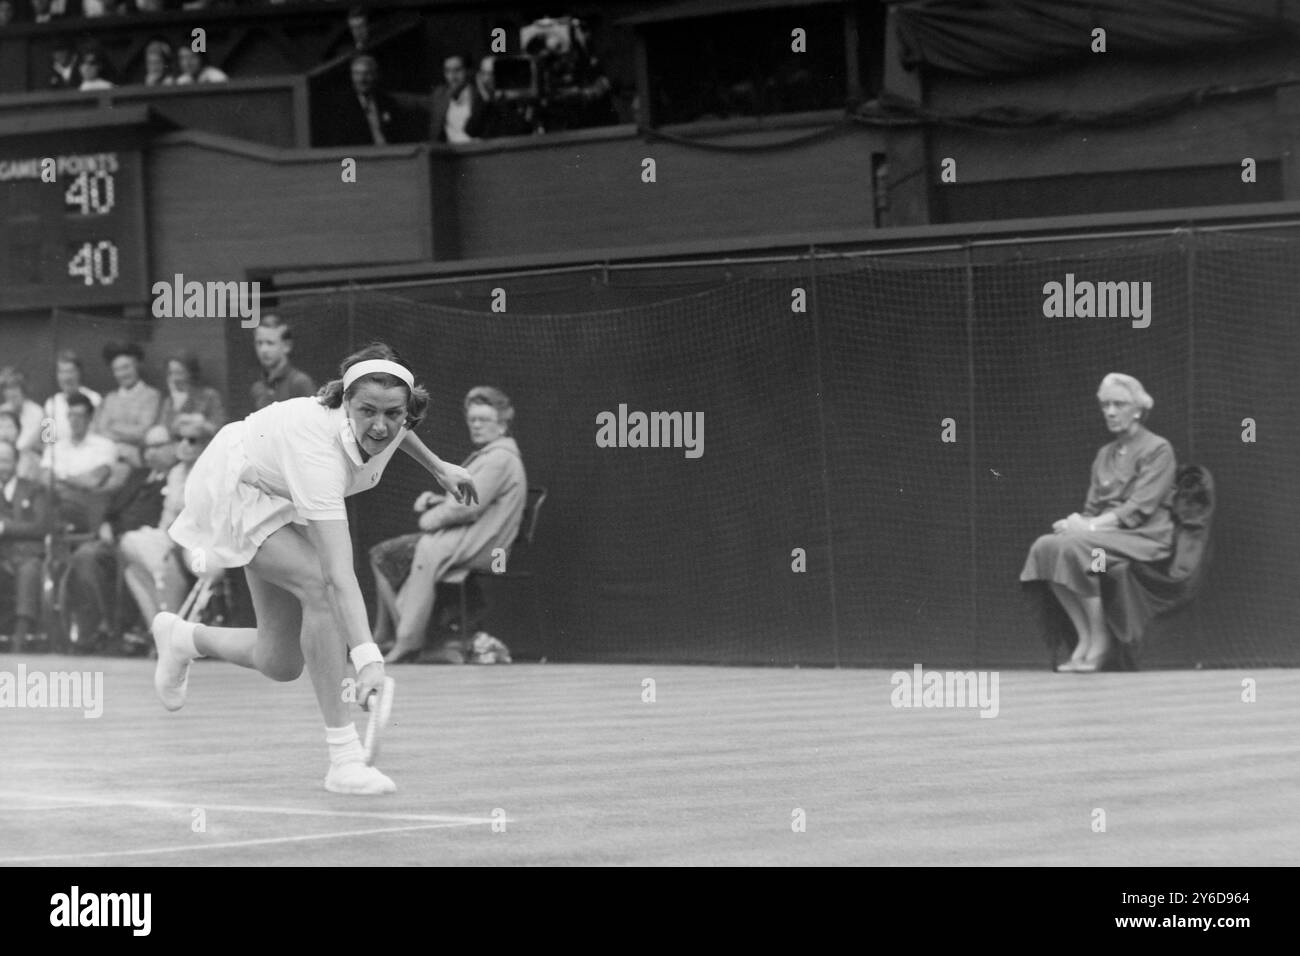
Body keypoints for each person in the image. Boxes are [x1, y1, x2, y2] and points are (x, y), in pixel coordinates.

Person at [156, 343, 478, 794]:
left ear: (408, 409)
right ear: (345, 404)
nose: (381, 425)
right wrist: (367, 658)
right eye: (367, 411)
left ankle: (181, 637)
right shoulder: (320, 456)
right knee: (319, 587)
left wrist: (439, 467)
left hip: (280, 485)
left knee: (280, 660)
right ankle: (343, 761)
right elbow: (336, 575)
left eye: (394, 412)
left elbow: (399, 431)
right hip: (237, 482)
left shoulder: (388, 421)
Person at [1020, 373, 1177, 672]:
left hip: (1144, 538)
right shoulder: (1104, 454)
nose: (1110, 412)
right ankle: (1085, 637)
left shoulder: (1159, 449)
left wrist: (1087, 528)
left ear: (1139, 409)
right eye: (1105, 405)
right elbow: (1092, 508)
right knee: (1046, 546)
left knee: (1080, 548)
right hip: (1105, 537)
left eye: (1118, 404)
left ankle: (1102, 641)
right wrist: (1076, 522)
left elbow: (1138, 509)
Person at [371, 386, 526, 663]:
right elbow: (467, 499)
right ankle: (397, 635)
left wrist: (429, 517)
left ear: (502, 425)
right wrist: (435, 501)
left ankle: (405, 638)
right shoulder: (494, 455)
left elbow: (466, 507)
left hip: (481, 545)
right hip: (472, 539)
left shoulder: (499, 459)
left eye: (484, 420)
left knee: (383, 556)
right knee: (387, 555)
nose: (476, 425)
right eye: (473, 419)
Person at [66, 425, 177, 647]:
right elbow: (112, 509)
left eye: (158, 446)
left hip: (148, 543)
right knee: (85, 555)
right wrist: (106, 524)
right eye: (147, 447)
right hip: (115, 539)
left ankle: (121, 629)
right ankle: (102, 627)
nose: (150, 452)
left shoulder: (175, 480)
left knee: (104, 557)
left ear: (172, 447)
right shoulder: (138, 475)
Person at [0, 440, 50, 652]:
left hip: (28, 554)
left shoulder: (34, 490)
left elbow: (39, 526)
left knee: (29, 570)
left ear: (16, 462)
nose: (1, 466)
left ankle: (20, 637)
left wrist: (3, 527)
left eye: (6, 460)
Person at [94, 342, 162, 469]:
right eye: (117, 370)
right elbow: (98, 430)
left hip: (132, 459)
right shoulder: (110, 398)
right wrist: (125, 431)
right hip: (105, 455)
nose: (122, 374)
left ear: (136, 366)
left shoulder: (151, 396)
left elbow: (143, 432)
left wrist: (112, 426)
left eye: (126, 368)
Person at [334, 55, 403, 146]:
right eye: (357, 74)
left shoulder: (387, 102)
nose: (362, 79)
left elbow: (398, 134)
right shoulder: (342, 105)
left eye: (367, 73)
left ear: (375, 75)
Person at [250, 315, 315, 410]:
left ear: (287, 346)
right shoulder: (257, 388)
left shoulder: (300, 383)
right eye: (259, 343)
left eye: (270, 343)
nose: (263, 349)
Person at [157, 349, 225, 437]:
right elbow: (164, 430)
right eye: (170, 373)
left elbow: (218, 427)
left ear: (191, 373)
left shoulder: (209, 396)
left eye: (179, 373)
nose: (174, 378)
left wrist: (198, 422)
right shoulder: (169, 401)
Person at [44, 349, 103, 443]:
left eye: (70, 371)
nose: (66, 377)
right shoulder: (51, 402)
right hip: (60, 453)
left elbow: (98, 433)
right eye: (62, 372)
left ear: (79, 373)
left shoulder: (95, 399)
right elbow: (48, 439)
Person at [429, 53, 483, 144]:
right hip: (452, 154)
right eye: (447, 71)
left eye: (457, 70)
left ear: (468, 71)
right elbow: (416, 101)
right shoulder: (441, 95)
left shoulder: (479, 94)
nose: (452, 77)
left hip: (478, 151)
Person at [0, 368, 44, 467]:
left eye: (15, 388)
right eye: (8, 388)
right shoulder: (2, 411)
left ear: (23, 390)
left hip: (29, 460)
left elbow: (25, 445)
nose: (12, 393)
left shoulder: (37, 412)